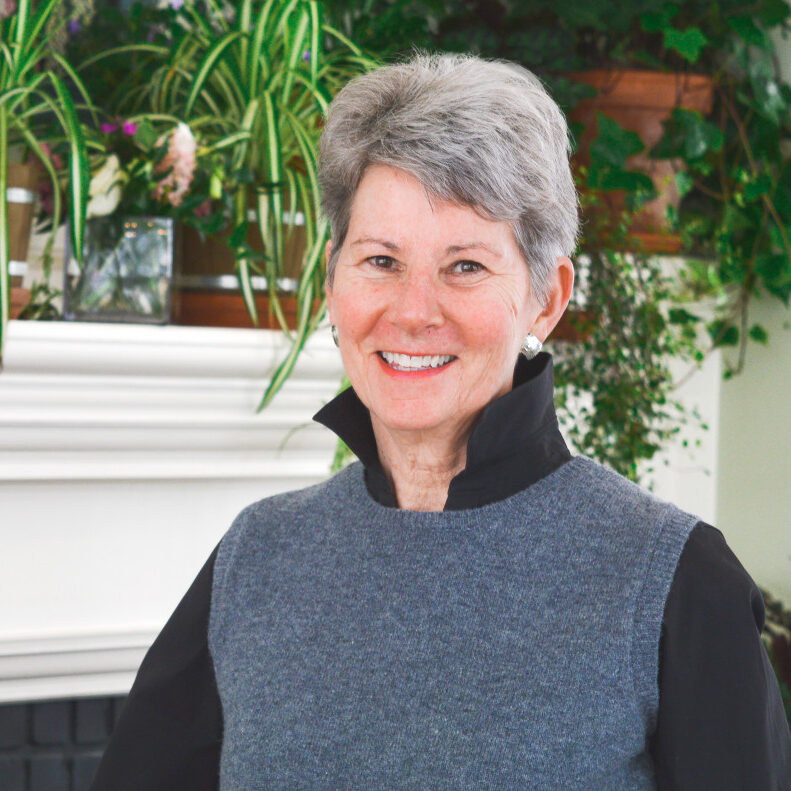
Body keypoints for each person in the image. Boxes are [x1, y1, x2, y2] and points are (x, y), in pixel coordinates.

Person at [90, 53, 791, 790]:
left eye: (464, 266)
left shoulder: (675, 577)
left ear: (546, 299)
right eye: (381, 260)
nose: (414, 311)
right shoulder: (256, 557)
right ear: (332, 280)